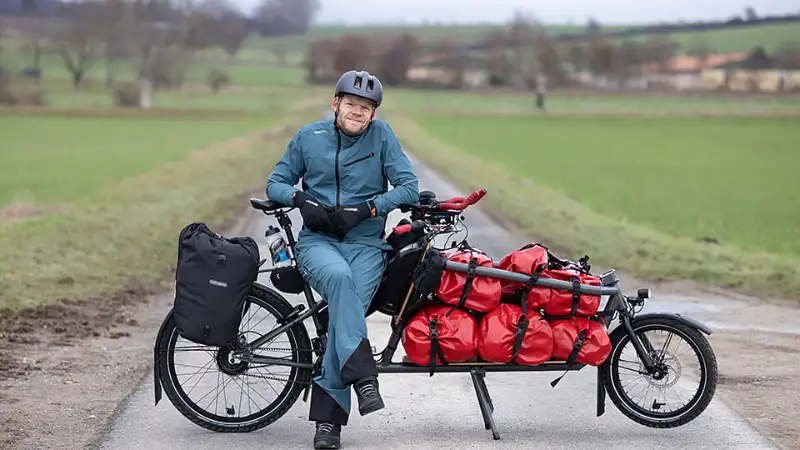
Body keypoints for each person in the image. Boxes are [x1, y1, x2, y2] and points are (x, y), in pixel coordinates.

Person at [266, 70, 420, 449]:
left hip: (366, 246)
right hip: (318, 243)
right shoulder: (308, 137)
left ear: (373, 114)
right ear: (336, 104)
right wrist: (301, 200)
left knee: (341, 317)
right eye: (351, 104)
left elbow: (409, 187)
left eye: (366, 108)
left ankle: (327, 424)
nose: (358, 112)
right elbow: (276, 183)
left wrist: (368, 209)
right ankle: (364, 376)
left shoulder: (382, 137)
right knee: (339, 279)